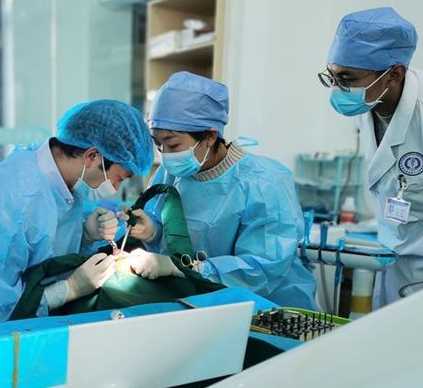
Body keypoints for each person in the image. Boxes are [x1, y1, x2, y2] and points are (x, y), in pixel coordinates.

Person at [0, 100, 153, 341]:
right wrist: (68, 289)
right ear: (92, 156)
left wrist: (84, 235)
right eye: (119, 178)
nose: (115, 188)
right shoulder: (9, 203)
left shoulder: (58, 182)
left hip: (18, 331)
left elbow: (40, 251)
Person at [125, 71, 316, 309]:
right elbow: (176, 238)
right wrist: (153, 232)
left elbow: (262, 267)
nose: (164, 153)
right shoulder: (171, 174)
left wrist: (189, 269)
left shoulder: (264, 183)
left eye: (172, 144)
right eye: (157, 143)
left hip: (265, 308)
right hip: (197, 303)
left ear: (210, 136)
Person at [320, 7, 423, 307]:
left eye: (346, 79)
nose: (336, 89)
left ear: (394, 75)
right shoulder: (372, 101)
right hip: (396, 260)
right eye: (331, 76)